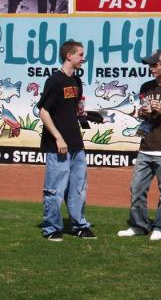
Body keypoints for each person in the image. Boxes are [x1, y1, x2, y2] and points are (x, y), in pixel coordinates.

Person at [117, 50, 161, 241]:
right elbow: (144, 114)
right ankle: (139, 225)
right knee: (137, 188)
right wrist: (142, 112)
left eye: (154, 65)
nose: (150, 68)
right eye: (150, 65)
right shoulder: (146, 87)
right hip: (146, 146)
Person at [38, 40, 97, 241]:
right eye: (80, 55)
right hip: (58, 146)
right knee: (55, 189)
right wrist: (58, 138)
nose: (84, 58)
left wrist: (86, 116)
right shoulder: (55, 81)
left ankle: (79, 226)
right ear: (69, 56)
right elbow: (43, 112)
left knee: (78, 189)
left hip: (76, 144)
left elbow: (72, 111)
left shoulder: (76, 81)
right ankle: (51, 228)